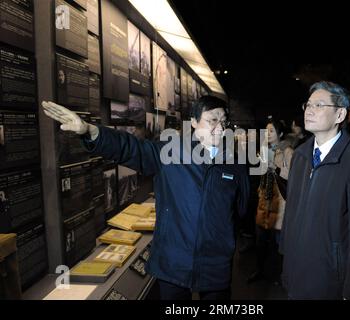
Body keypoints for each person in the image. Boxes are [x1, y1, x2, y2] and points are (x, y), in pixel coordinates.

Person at [41, 96, 250, 300]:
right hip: (173, 261)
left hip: (215, 265)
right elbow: (131, 148)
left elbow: (241, 208)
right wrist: (91, 131)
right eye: (212, 120)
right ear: (194, 122)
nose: (220, 127)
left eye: (223, 121)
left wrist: (222, 238)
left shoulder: (235, 162)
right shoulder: (170, 152)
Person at [279, 81, 350, 300]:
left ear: (339, 115)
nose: (309, 110)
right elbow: (291, 216)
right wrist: (286, 266)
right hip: (295, 278)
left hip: (329, 285)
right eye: (308, 105)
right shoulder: (300, 156)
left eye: (319, 105)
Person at [247, 120, 293, 285]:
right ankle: (260, 270)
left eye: (271, 131)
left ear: (280, 134)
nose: (267, 135)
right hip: (264, 202)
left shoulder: (288, 152)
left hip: (280, 204)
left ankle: (281, 275)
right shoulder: (264, 151)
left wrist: (276, 168)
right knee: (260, 241)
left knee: (279, 244)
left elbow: (292, 180)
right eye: (266, 132)